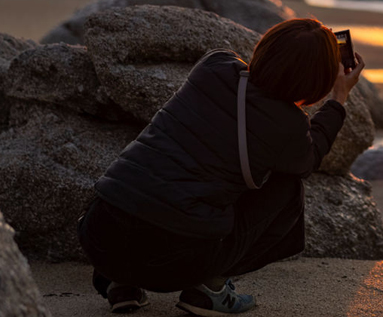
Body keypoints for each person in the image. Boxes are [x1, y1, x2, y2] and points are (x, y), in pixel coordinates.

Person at [78, 18, 365, 315]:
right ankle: (208, 290)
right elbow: (309, 158)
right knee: (288, 188)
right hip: (173, 263)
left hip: (99, 236)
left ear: (265, 46)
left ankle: (119, 283)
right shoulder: (289, 126)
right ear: (316, 80)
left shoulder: (214, 66)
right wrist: (339, 97)